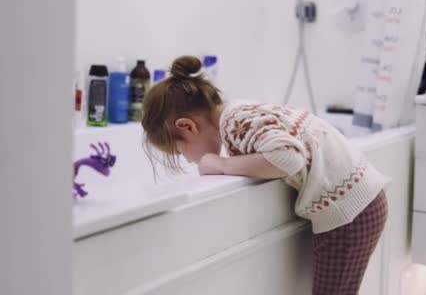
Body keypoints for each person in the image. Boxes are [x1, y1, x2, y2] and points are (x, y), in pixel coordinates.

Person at [141, 55, 389, 295]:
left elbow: (289, 158)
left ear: (188, 126)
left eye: (180, 150)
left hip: (350, 212)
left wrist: (223, 164)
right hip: (358, 201)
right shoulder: (239, 112)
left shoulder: (235, 121)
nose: (187, 159)